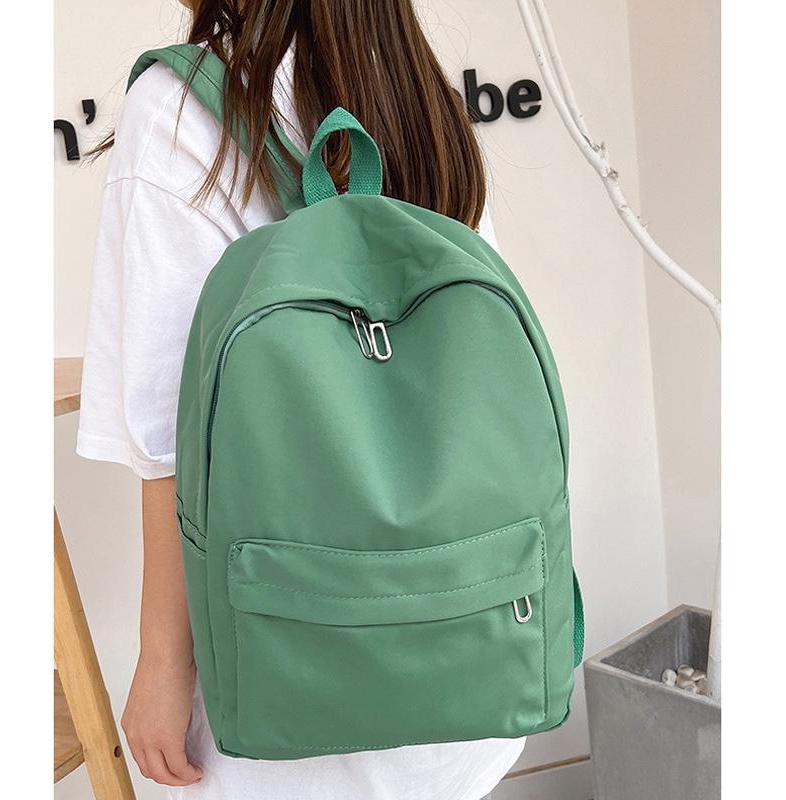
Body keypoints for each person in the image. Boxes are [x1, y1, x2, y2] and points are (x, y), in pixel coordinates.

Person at [77, 1, 524, 798]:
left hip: (297, 699)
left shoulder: (180, 108)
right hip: (473, 661)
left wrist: (163, 661)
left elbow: (172, 437)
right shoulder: (414, 90)